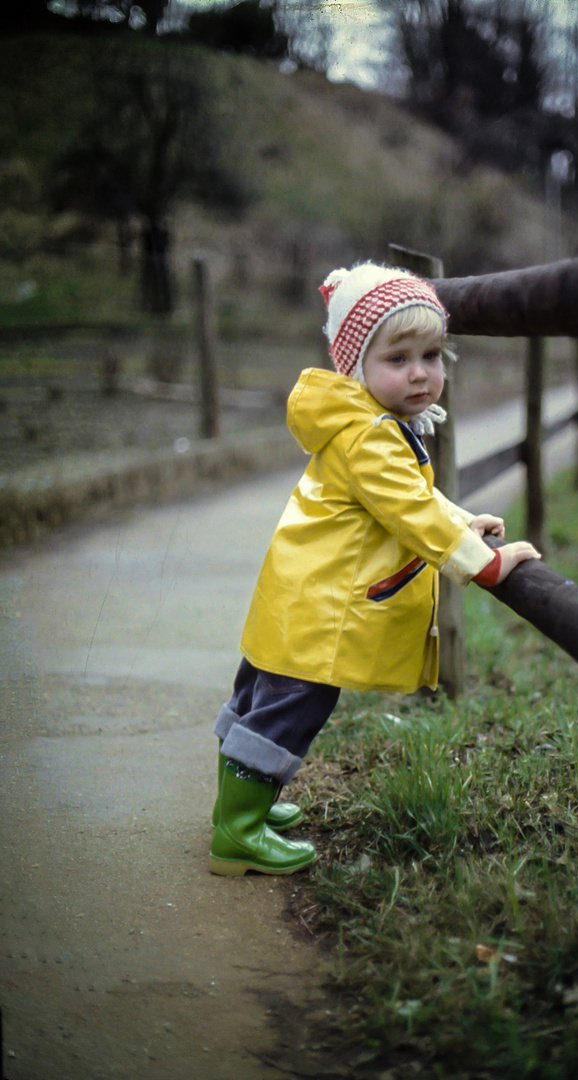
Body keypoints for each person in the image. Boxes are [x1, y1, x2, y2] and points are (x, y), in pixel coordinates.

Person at [209, 262, 541, 877]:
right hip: (321, 605)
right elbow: (410, 510)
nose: (420, 373)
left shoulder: (361, 423)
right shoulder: (371, 437)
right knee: (290, 710)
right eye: (398, 358)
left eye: (433, 355)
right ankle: (237, 830)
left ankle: (246, 805)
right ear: (355, 364)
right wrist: (487, 566)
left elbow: (407, 499)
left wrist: (460, 521)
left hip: (299, 594)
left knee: (260, 697)